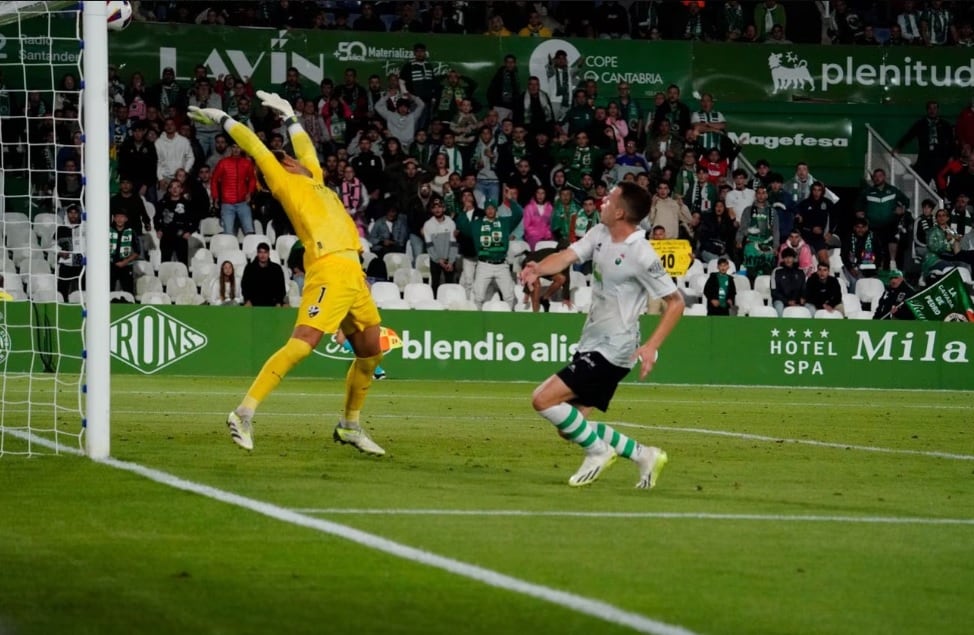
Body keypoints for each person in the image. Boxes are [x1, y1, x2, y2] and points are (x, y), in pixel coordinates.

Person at [189, 91, 386, 456]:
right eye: (288, 158)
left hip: (353, 273)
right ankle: (243, 413)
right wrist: (222, 119)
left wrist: (291, 116)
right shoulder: (287, 184)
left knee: (371, 353)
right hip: (328, 269)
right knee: (301, 345)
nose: (296, 158)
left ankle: (349, 425)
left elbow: (307, 148)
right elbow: (256, 148)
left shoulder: (316, 179)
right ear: (285, 168)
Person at [520, 182, 683, 489]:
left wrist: (652, 345)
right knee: (570, 427)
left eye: (609, 199)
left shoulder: (641, 254)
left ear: (620, 212)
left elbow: (676, 303)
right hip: (592, 341)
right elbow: (566, 256)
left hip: (616, 348)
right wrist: (537, 269)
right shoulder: (599, 233)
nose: (603, 201)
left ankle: (598, 451)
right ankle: (644, 455)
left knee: (542, 399)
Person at [456, 199, 523, 308]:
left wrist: (509, 200)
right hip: (484, 265)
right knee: (478, 297)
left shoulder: (504, 222)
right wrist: (464, 212)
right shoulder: (477, 224)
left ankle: (510, 317)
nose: (490, 210)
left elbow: (519, 214)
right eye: (488, 208)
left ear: (496, 209)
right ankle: (477, 317)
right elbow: (462, 225)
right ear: (485, 210)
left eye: (492, 208)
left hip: (502, 265)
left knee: (509, 296)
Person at [422, 197, 458, 293]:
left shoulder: (451, 223)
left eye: (439, 207)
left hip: (449, 259)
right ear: (431, 210)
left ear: (444, 208)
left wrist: (451, 261)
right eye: (434, 207)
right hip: (435, 260)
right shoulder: (428, 224)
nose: (437, 209)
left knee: (450, 286)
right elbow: (429, 245)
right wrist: (438, 260)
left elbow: (454, 244)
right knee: (435, 285)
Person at [109, 209, 140, 295]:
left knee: (129, 293)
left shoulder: (131, 232)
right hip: (110, 265)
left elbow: (137, 251)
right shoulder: (107, 230)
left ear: (126, 219)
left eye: (122, 217)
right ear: (114, 218)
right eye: (117, 217)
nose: (119, 219)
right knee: (107, 292)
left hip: (126, 265)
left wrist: (125, 262)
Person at [771, 248, 805, 317]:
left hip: (797, 301)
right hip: (781, 301)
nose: (788, 259)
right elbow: (774, 292)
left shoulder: (800, 272)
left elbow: (804, 289)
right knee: (779, 306)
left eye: (790, 257)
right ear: (783, 259)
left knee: (810, 308)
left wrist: (802, 298)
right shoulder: (776, 271)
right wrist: (787, 301)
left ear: (794, 258)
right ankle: (780, 323)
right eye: (786, 257)